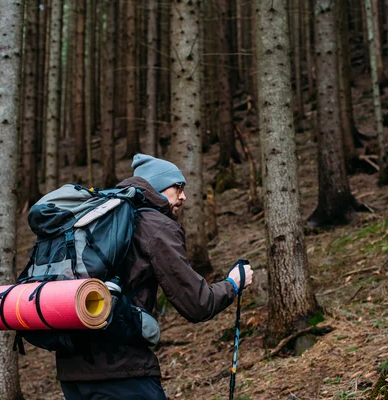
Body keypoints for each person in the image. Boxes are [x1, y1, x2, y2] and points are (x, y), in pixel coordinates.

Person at [57, 154, 254, 400]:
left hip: (72, 372)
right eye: (178, 187)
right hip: (122, 371)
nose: (184, 196)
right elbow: (197, 303)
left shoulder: (105, 218)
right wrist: (233, 284)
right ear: (157, 187)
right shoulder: (156, 225)